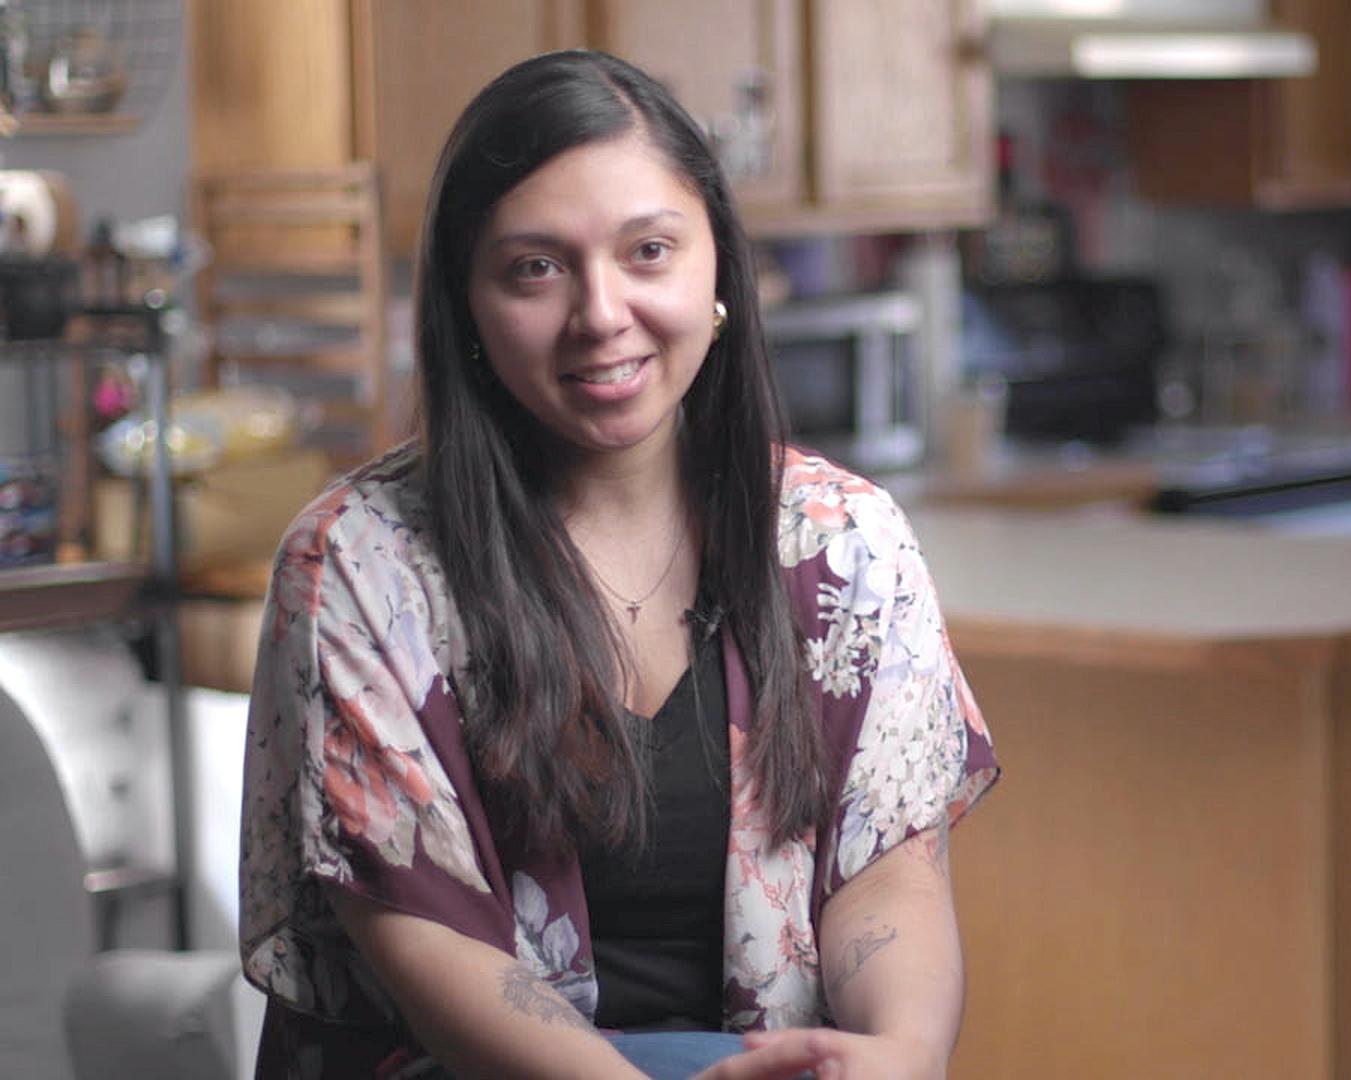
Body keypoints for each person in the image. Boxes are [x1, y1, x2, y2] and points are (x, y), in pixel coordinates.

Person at [237, 49, 999, 1080]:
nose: (600, 314)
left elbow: (888, 871)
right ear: (465, 301)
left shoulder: (847, 543)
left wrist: (900, 1053)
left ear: (718, 266)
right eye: (535, 268)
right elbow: (428, 941)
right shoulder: (358, 564)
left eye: (648, 251)